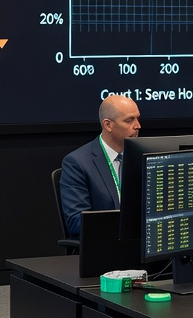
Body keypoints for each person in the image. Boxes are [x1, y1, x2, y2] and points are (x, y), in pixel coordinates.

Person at [59, 93, 140, 237]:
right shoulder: (77, 163)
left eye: (137, 118)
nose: (137, 126)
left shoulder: (140, 156)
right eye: (129, 120)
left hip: (140, 240)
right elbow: (77, 223)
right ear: (108, 125)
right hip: (105, 242)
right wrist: (124, 221)